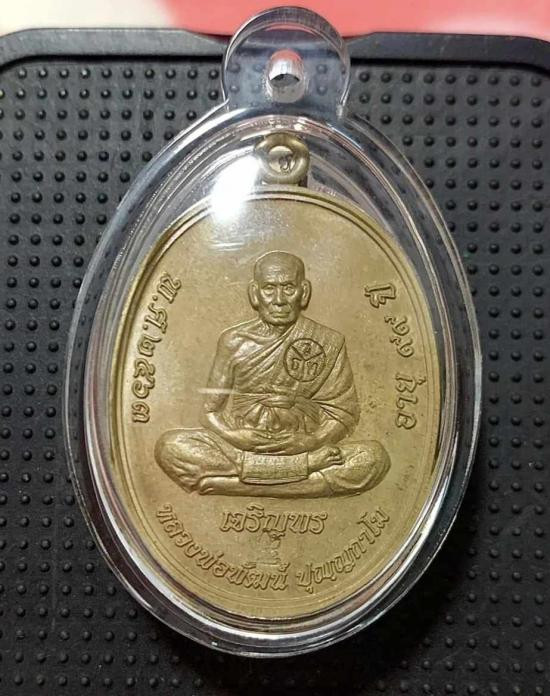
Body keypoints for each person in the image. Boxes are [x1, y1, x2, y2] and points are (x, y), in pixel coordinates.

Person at [155, 251, 390, 497]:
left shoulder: (329, 341)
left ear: (304, 292)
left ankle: (234, 484)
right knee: (170, 447)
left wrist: (312, 441)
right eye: (269, 288)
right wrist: (234, 436)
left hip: (301, 445)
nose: (279, 300)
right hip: (244, 448)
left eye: (288, 288)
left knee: (373, 458)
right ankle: (300, 476)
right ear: (254, 293)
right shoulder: (233, 342)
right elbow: (209, 412)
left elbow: (343, 414)